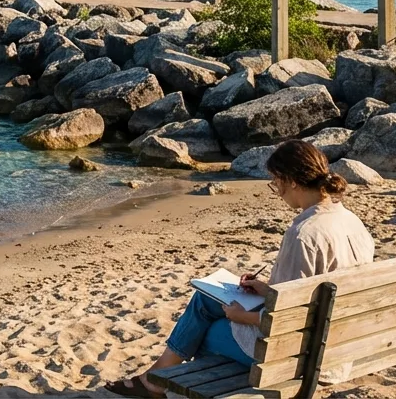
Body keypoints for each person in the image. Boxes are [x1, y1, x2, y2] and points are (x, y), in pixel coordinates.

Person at [104, 139, 375, 398]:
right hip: (340, 346)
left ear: (291, 181)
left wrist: (243, 317)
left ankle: (157, 382)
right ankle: (155, 380)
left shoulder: (304, 234)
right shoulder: (351, 221)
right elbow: (313, 297)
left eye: (276, 182)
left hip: (302, 357)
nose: (277, 191)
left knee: (205, 333)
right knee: (205, 299)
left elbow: (290, 319)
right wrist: (265, 289)